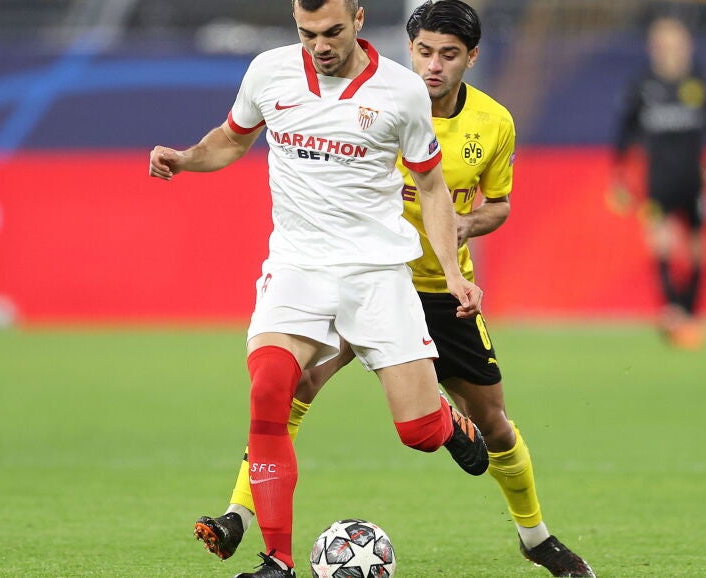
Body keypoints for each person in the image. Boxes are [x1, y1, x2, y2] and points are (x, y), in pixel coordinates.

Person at [191, 2, 594, 576]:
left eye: (448, 55)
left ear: (471, 58)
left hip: (436, 289)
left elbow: (498, 204)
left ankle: (536, 537)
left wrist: (463, 230)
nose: (434, 66)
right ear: (410, 50)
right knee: (289, 385)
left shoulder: (492, 123)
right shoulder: (377, 98)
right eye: (424, 52)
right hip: (367, 277)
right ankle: (240, 515)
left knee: (493, 424)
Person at [149, 0, 491, 576]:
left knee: (416, 432)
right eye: (308, 33)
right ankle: (277, 560)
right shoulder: (269, 72)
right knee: (269, 388)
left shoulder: (401, 90)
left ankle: (444, 420)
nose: (321, 46)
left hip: (377, 274)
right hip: (298, 268)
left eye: (333, 31)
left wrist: (454, 275)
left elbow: (431, 186)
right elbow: (231, 139)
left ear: (358, 19)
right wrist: (185, 158)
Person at [610, 14, 706, 349]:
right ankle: (673, 311)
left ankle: (690, 310)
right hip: (659, 179)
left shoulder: (699, 81)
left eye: (674, 43)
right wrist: (620, 176)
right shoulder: (643, 85)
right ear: (653, 48)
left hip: (694, 178)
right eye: (662, 44)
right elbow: (625, 133)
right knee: (661, 241)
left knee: (698, 247)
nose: (669, 50)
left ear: (686, 46)